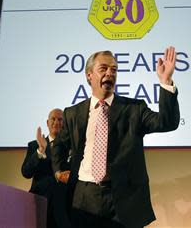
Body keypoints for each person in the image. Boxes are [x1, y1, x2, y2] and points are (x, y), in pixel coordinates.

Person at [51, 47, 180, 228]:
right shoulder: (73, 113)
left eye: (114, 69)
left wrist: (165, 80)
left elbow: (167, 122)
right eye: (103, 69)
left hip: (124, 199)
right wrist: (58, 171)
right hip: (84, 197)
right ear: (89, 75)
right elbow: (58, 146)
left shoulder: (135, 109)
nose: (110, 73)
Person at [21, 108, 71, 228]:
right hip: (39, 204)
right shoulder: (35, 145)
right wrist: (40, 151)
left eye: (60, 119)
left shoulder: (71, 146)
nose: (56, 122)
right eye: (53, 119)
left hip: (64, 207)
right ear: (47, 123)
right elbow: (26, 173)